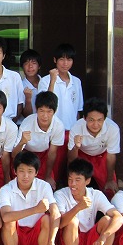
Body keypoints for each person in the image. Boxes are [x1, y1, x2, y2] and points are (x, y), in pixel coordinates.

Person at [55, 158, 123, 245]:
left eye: (78, 180)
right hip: (67, 244)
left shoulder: (96, 194)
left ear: (87, 181)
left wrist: (103, 237)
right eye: (70, 179)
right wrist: (77, 207)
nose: (73, 184)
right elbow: (60, 223)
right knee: (72, 221)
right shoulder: (60, 194)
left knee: (108, 221)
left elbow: (119, 217)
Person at [0, 151, 60, 245]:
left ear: (36, 172)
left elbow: (55, 213)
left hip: (36, 238)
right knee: (9, 221)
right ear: (15, 171)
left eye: (30, 171)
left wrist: (52, 241)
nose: (25, 176)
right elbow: (5, 217)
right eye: (21, 171)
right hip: (14, 237)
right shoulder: (6, 189)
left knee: (46, 219)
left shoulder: (44, 186)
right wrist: (35, 210)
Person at [38, 43, 83, 183]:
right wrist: (53, 80)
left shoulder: (76, 81)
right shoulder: (45, 81)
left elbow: (78, 110)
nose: (65, 63)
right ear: (55, 60)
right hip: (54, 131)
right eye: (62, 59)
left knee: (71, 168)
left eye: (69, 59)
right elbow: (45, 103)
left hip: (71, 131)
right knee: (53, 169)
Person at [68, 97, 120, 197]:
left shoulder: (113, 128)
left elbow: (111, 156)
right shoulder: (76, 128)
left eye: (99, 120)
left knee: (110, 189)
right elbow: (71, 159)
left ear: (105, 118)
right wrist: (76, 147)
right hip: (82, 155)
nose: (95, 124)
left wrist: (110, 179)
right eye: (91, 120)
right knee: (76, 185)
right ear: (84, 118)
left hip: (102, 156)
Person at [12, 91, 65, 189]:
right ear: (36, 109)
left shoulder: (58, 126)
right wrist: (22, 142)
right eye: (41, 111)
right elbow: (14, 154)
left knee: (46, 185)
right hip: (26, 156)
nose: (45, 116)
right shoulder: (27, 123)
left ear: (54, 111)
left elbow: (52, 153)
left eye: (49, 111)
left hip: (44, 156)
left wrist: (48, 176)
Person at [20, 49, 42, 120]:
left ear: (39, 66)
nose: (30, 66)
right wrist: (28, 99)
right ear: (22, 67)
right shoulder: (20, 86)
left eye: (34, 63)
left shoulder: (46, 83)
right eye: (26, 63)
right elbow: (27, 115)